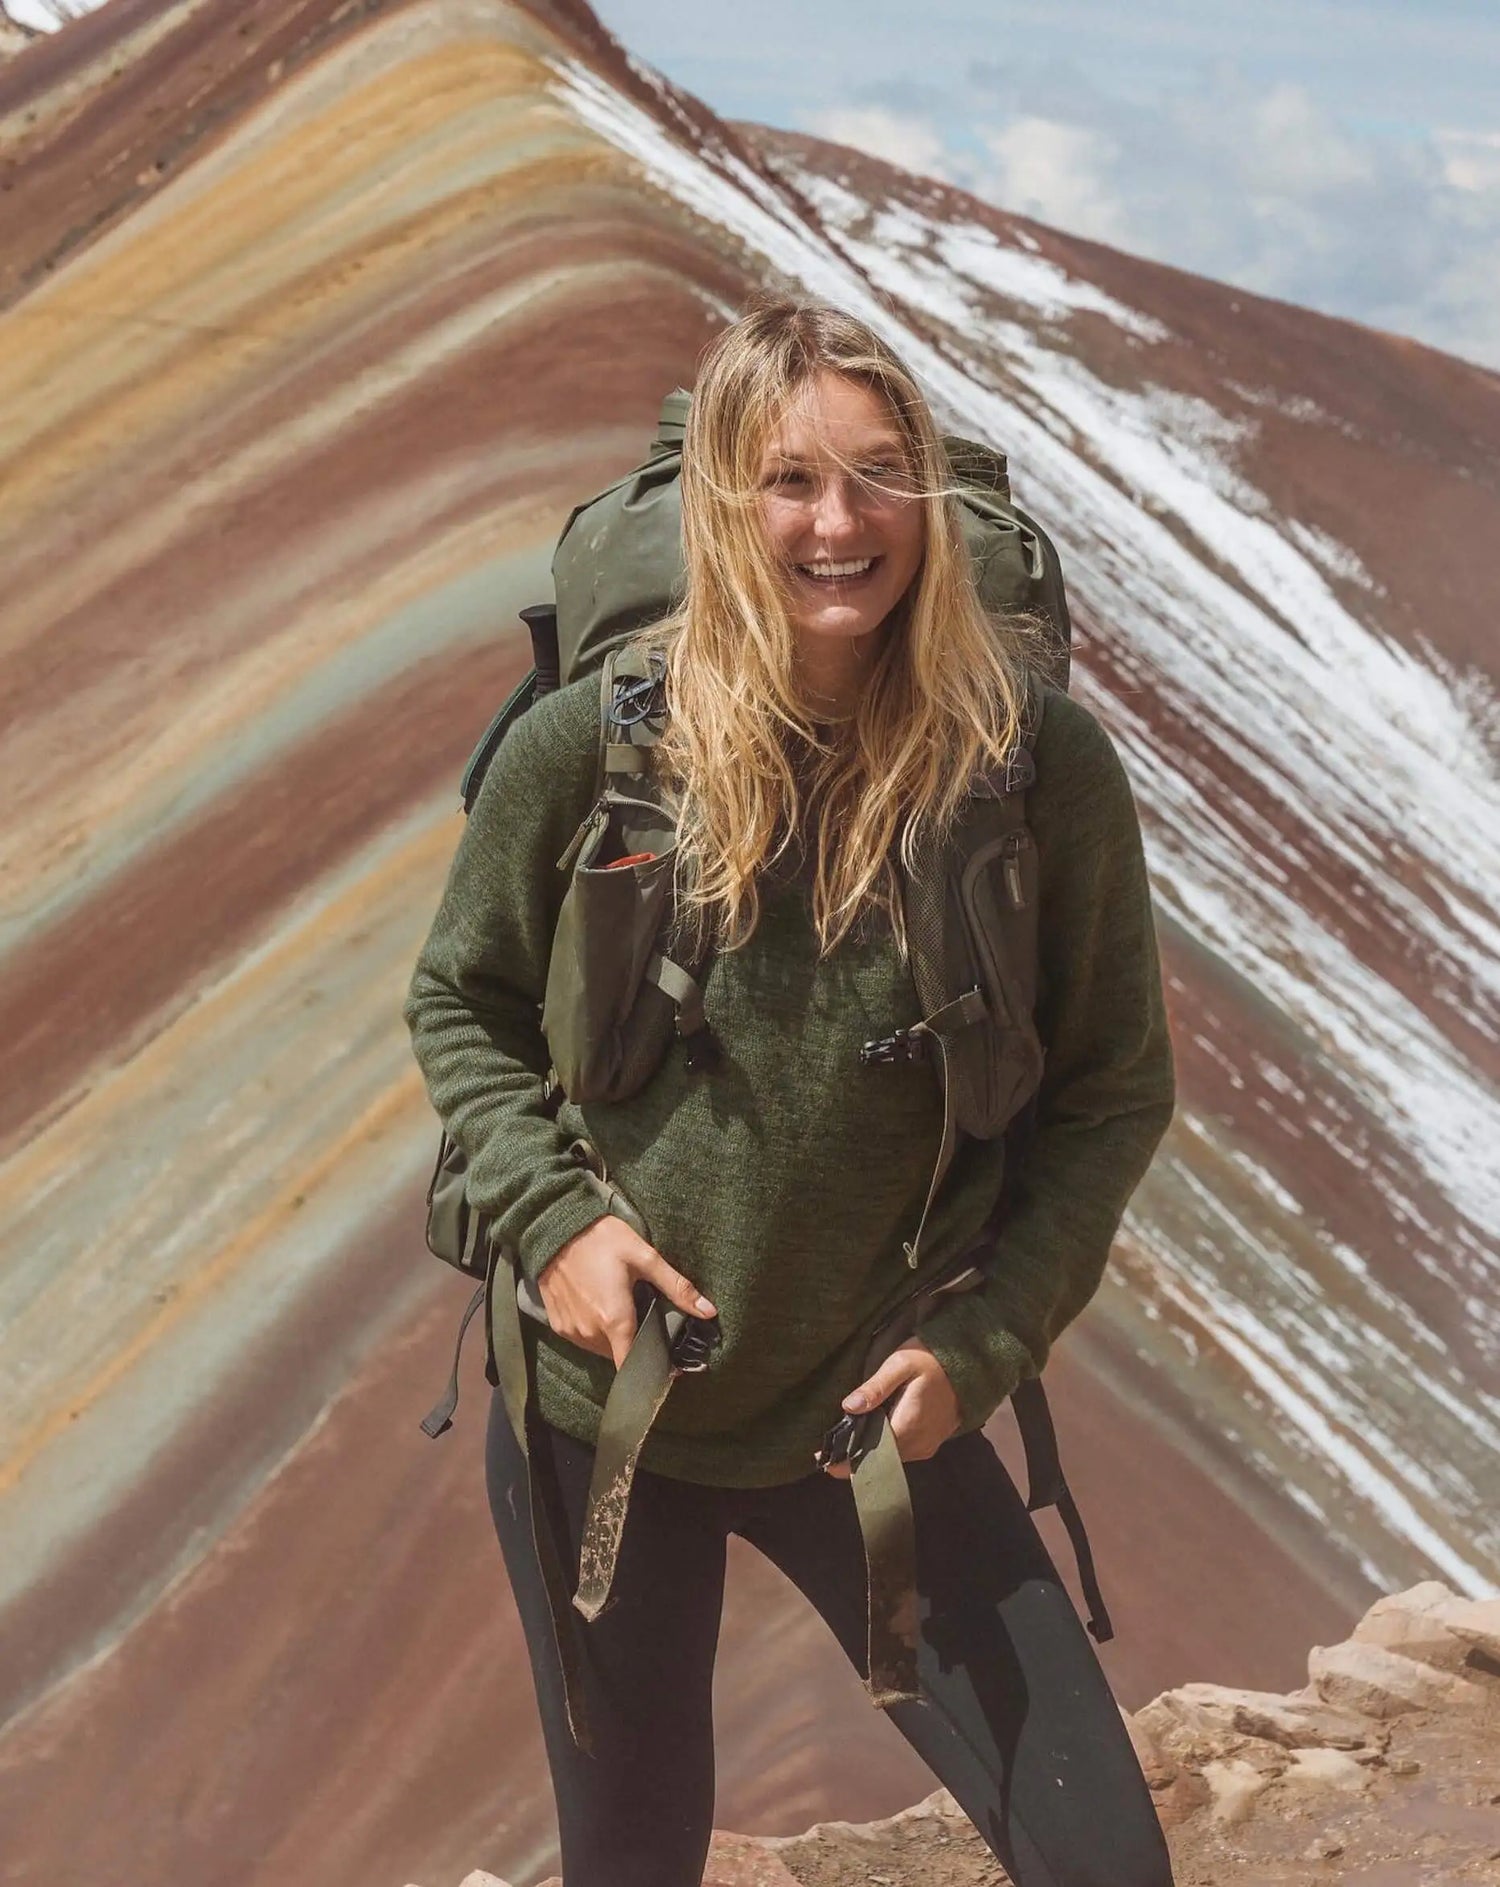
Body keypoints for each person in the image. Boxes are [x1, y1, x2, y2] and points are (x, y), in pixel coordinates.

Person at [404, 297, 1177, 1887]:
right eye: (791, 481)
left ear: (934, 505)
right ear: (721, 507)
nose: (840, 524)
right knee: (632, 1862)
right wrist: (555, 1225)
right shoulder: (589, 752)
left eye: (880, 475)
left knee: (1108, 1866)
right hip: (604, 1415)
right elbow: (459, 1003)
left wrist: (988, 1336)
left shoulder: (1034, 769)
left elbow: (1112, 1094)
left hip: (877, 1421)